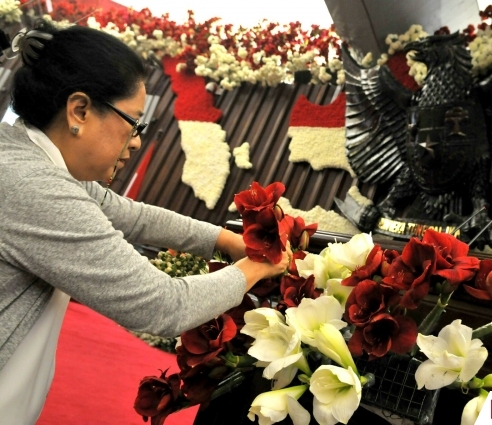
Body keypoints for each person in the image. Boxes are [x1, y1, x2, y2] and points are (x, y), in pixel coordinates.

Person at [0, 20, 291, 424]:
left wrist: (229, 241)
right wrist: (259, 263)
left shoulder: (25, 159)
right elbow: (162, 307)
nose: (136, 140)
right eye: (133, 122)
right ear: (79, 110)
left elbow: (129, 215)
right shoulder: (34, 186)